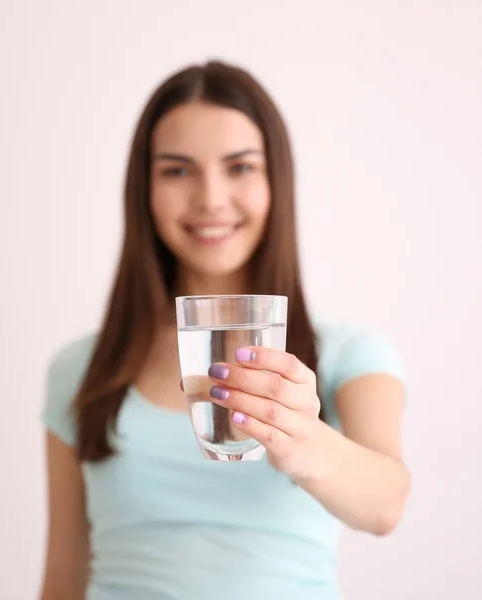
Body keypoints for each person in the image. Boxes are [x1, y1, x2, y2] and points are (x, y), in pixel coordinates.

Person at [39, 60, 410, 600]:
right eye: (177, 170)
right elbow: (63, 578)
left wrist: (302, 441)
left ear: (275, 181)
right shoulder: (79, 369)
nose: (210, 199)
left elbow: (386, 505)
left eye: (239, 167)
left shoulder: (349, 356)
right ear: (143, 189)